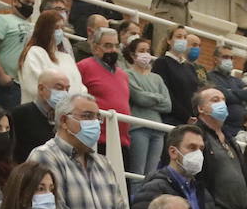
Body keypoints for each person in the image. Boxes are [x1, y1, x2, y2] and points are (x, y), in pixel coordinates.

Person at [129, 123, 220, 209]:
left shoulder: (203, 193)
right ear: (173, 152)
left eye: (201, 149)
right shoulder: (154, 189)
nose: (198, 154)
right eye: (192, 148)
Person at [193, 85, 247, 209]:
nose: (222, 103)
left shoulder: (231, 139)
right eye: (215, 100)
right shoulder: (196, 136)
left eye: (223, 100)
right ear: (201, 109)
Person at [124, 36, 170, 185]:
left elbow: (168, 105)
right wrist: (157, 97)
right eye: (141, 51)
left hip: (158, 128)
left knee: (151, 175)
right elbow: (139, 98)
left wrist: (148, 98)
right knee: (137, 173)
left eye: (148, 51)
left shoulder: (157, 78)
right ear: (132, 54)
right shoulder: (127, 74)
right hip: (138, 128)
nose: (146, 54)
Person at [76, 26, 130, 149]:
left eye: (116, 46)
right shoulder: (83, 67)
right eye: (108, 46)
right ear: (95, 48)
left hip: (121, 142)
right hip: (95, 140)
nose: (113, 50)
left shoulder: (123, 75)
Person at [0, 0, 36, 110]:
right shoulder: (3, 21)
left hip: (21, 85)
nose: (29, 6)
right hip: (3, 84)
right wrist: (1, 75)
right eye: (26, 2)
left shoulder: (32, 26)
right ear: (14, 1)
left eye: (32, 3)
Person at [18, 10, 84, 104]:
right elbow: (35, 87)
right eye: (56, 28)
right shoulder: (34, 52)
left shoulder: (67, 58)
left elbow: (80, 87)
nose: (60, 32)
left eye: (62, 28)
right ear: (45, 29)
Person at [152, 24, 201, 126]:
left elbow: (196, 94)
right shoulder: (162, 63)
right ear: (169, 40)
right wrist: (185, 117)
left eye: (185, 37)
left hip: (191, 122)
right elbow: (166, 93)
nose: (182, 40)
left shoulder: (190, 67)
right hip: (171, 120)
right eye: (178, 37)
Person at [208, 44, 247, 140]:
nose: (229, 60)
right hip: (225, 128)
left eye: (231, 58)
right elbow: (223, 95)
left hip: (242, 129)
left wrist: (230, 91)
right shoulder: (209, 77)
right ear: (215, 59)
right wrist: (240, 94)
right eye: (225, 57)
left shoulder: (236, 80)